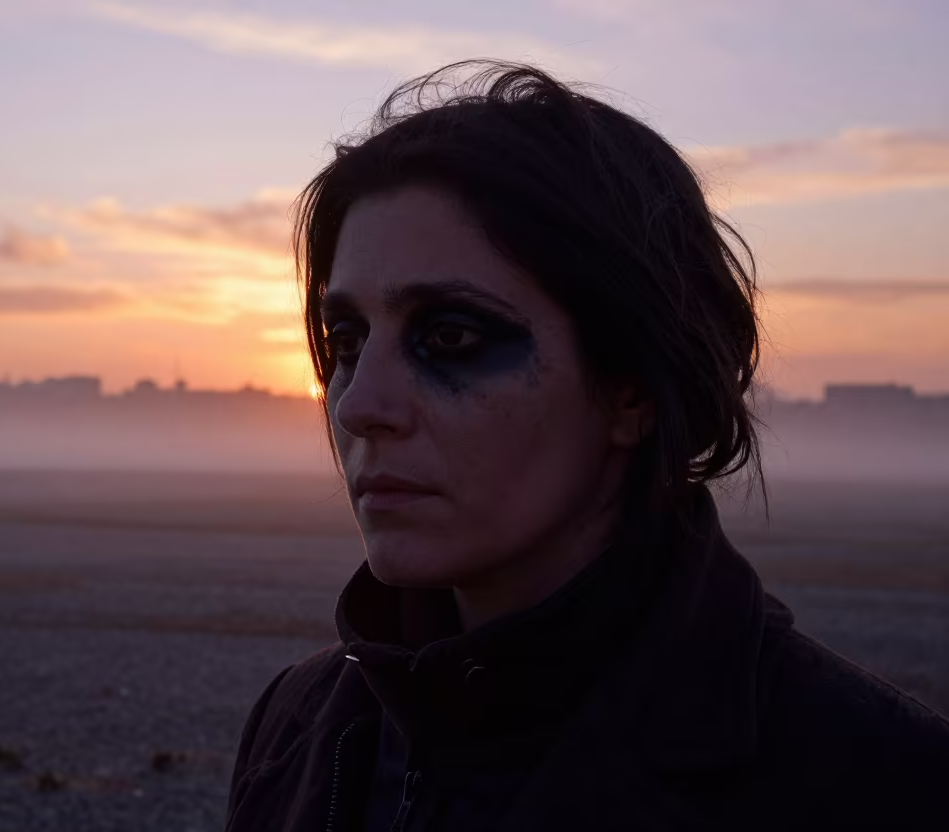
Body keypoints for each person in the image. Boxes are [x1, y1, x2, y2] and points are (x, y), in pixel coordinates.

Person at [223, 61, 949, 831]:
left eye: (451, 338)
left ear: (632, 386)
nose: (361, 405)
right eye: (346, 341)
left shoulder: (884, 784)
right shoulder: (298, 728)